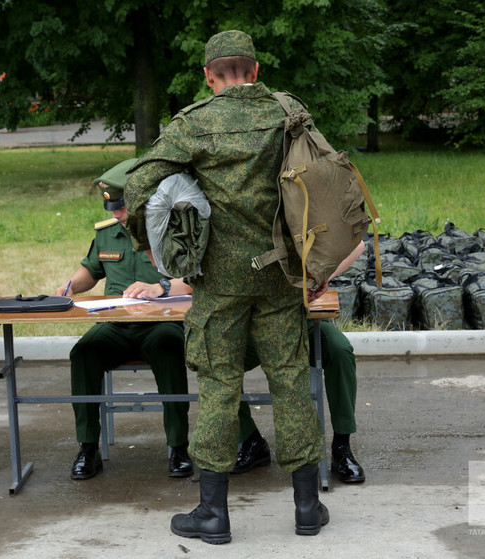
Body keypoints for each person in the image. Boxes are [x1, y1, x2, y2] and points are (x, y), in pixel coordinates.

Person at [125, 30, 327, 544]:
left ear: (210, 77)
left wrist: (153, 246)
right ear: (255, 71)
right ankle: (307, 506)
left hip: (218, 281)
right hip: (282, 274)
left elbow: (138, 185)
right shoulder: (288, 111)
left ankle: (212, 514)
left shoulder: (194, 123)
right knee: (289, 381)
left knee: (218, 387)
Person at [54, 158, 193, 480]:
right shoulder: (108, 234)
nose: (116, 214)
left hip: (163, 324)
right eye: (112, 208)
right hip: (115, 324)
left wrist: (159, 287)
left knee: (170, 348)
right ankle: (88, 448)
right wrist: (70, 287)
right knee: (84, 353)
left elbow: (195, 280)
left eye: (122, 207)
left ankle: (178, 447)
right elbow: (90, 272)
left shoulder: (171, 231)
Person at [236, 242, 366, 484]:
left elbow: (356, 244)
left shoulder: (297, 207)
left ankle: (341, 446)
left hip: (299, 318)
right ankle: (250, 439)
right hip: (251, 325)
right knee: (217, 362)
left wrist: (321, 274)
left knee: (340, 350)